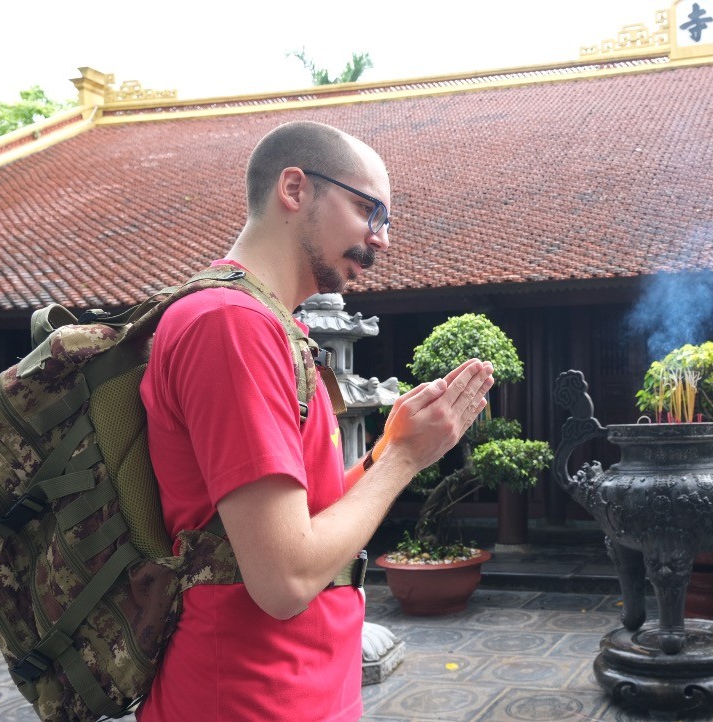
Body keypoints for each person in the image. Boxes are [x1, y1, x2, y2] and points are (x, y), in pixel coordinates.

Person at [138, 120, 495, 721]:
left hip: (300, 690)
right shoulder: (230, 324)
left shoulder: (275, 327)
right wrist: (404, 459)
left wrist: (392, 446)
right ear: (296, 189)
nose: (380, 239)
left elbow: (307, 520)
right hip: (247, 697)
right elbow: (284, 578)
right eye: (367, 209)